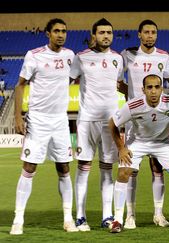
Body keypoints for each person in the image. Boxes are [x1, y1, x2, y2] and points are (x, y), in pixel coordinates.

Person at [10, 18, 78, 235]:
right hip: (38, 119)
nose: (61, 34)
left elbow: (75, 79)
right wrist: (18, 117)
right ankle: (18, 219)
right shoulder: (34, 55)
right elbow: (20, 85)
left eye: (64, 31)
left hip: (60, 119)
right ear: (48, 33)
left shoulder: (70, 56)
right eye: (56, 31)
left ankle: (68, 219)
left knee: (64, 168)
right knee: (29, 167)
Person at [108, 74, 169, 232]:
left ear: (162, 89)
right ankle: (118, 219)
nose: (153, 91)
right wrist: (121, 148)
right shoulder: (133, 105)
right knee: (123, 173)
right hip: (139, 143)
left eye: (157, 87)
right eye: (149, 87)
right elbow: (112, 123)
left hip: (162, 144)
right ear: (143, 90)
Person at [70, 18, 124, 231]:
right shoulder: (81, 58)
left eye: (109, 32)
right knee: (83, 168)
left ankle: (107, 215)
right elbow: (67, 80)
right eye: (101, 32)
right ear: (94, 35)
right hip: (86, 121)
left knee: (106, 170)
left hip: (110, 122)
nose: (106, 36)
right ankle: (81, 216)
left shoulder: (118, 59)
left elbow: (118, 84)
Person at [119, 19, 169, 229]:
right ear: (139, 34)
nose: (150, 35)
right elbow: (118, 81)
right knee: (131, 168)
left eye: (153, 32)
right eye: (146, 32)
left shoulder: (164, 57)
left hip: (159, 119)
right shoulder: (127, 54)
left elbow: (167, 81)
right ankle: (130, 215)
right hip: (135, 119)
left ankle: (158, 214)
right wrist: (132, 97)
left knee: (157, 167)